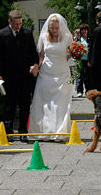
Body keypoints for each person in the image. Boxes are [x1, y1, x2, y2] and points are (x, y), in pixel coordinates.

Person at [0, 10, 39, 143]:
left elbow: (33, 52)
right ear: (10, 22)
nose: (18, 26)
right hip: (8, 77)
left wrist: (35, 65)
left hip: (25, 76)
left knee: (25, 105)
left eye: (20, 23)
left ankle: (23, 132)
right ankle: (8, 132)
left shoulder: (28, 33)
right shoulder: (1, 34)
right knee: (9, 106)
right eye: (16, 24)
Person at [28, 13, 73, 141]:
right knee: (43, 103)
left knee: (60, 105)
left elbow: (71, 52)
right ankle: (43, 132)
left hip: (62, 74)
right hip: (46, 74)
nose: (54, 30)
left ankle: (59, 132)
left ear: (60, 27)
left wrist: (76, 54)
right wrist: (37, 66)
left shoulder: (67, 37)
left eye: (56, 28)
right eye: (51, 28)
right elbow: (42, 55)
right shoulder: (43, 37)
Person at [76, 23, 91, 97]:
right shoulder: (78, 39)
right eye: (82, 30)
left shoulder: (90, 39)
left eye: (85, 30)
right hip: (80, 60)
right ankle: (79, 91)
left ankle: (88, 90)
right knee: (80, 75)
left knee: (88, 76)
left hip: (88, 59)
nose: (84, 31)